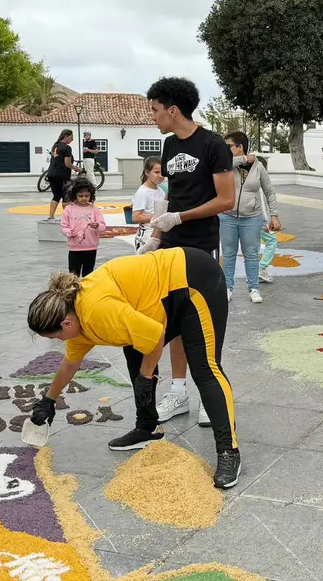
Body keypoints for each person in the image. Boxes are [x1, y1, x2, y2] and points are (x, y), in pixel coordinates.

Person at [24, 248, 242, 488]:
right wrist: (48, 401)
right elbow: (70, 364)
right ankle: (147, 428)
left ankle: (228, 451)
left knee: (205, 368)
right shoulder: (74, 316)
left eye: (56, 337)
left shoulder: (97, 311)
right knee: (135, 351)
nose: (59, 342)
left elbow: (155, 335)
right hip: (160, 299)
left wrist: (146, 377)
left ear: (66, 324)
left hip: (194, 281)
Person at [136, 78, 239, 428]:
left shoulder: (212, 145)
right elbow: (172, 196)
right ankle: (178, 391)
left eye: (155, 110)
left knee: (203, 321)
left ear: (172, 110)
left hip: (201, 246)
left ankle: (209, 394)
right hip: (170, 245)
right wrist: (157, 232)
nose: (153, 117)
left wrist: (181, 217)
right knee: (172, 320)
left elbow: (227, 199)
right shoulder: (167, 145)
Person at [220, 131, 281, 303]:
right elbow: (220, 165)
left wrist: (274, 215)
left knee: (251, 254)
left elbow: (269, 191)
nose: (226, 149)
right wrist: (245, 159)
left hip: (252, 217)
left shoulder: (258, 167)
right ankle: (227, 288)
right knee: (229, 253)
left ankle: (254, 288)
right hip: (227, 216)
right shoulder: (226, 164)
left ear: (240, 147)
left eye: (229, 146)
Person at [61, 176, 106, 278]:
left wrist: (97, 226)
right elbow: (63, 227)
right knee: (73, 275)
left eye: (87, 196)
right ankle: (73, 293)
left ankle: (87, 293)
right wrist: (69, 232)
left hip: (91, 247)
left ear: (91, 195)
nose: (84, 198)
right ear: (74, 195)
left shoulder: (94, 209)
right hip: (74, 249)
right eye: (80, 196)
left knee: (89, 274)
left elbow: (103, 226)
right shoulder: (69, 209)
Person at [44, 129, 81, 220]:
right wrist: (77, 169)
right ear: (66, 136)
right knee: (65, 196)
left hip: (51, 173)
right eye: (71, 137)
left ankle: (51, 215)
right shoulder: (67, 148)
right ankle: (67, 218)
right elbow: (67, 163)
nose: (72, 140)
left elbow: (59, 159)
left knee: (56, 195)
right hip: (62, 175)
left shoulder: (55, 146)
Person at [131, 156, 165, 252]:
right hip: (147, 235)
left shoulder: (161, 191)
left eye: (162, 172)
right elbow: (136, 217)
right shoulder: (142, 192)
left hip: (159, 233)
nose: (160, 175)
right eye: (156, 172)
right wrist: (158, 217)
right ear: (147, 172)